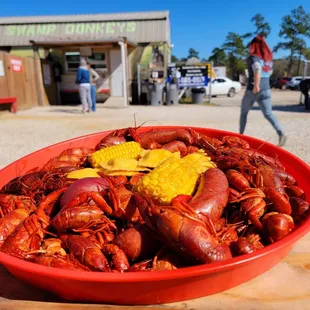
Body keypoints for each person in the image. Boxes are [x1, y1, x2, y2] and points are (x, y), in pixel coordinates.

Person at [240, 35, 287, 147]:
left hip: (253, 90)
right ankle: (281, 133)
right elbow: (269, 72)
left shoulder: (253, 57)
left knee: (244, 113)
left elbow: (257, 68)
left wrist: (256, 85)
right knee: (268, 113)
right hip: (266, 89)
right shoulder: (268, 59)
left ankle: (240, 136)